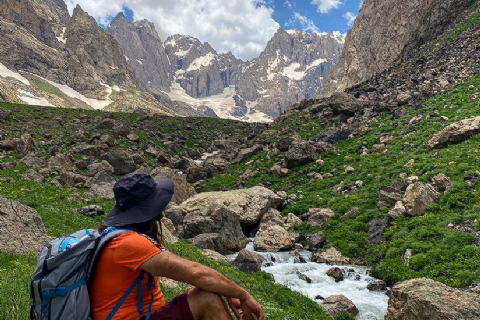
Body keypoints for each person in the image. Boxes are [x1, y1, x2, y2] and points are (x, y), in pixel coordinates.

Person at [90, 172, 265, 320]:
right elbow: (196, 273)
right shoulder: (129, 243)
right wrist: (242, 295)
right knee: (207, 297)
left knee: (207, 291)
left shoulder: (116, 234)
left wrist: (229, 292)